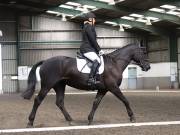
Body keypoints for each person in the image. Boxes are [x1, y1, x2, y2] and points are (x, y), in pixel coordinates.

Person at [80, 12, 104, 86]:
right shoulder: (89, 27)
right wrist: (99, 50)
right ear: (90, 19)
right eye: (94, 19)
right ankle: (91, 79)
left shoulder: (87, 27)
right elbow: (93, 40)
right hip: (87, 49)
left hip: (89, 48)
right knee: (97, 60)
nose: (95, 21)